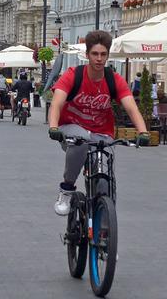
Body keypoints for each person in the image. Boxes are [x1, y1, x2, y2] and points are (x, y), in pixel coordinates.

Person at [48, 30, 150, 215]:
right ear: (87, 55)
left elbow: (131, 108)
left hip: (101, 133)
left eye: (103, 54)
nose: (99, 58)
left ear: (108, 56)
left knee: (105, 164)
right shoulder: (73, 75)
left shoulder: (114, 79)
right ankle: (67, 189)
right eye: (95, 54)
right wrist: (53, 127)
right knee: (80, 139)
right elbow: (56, 103)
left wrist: (143, 132)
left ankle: (105, 209)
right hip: (70, 128)